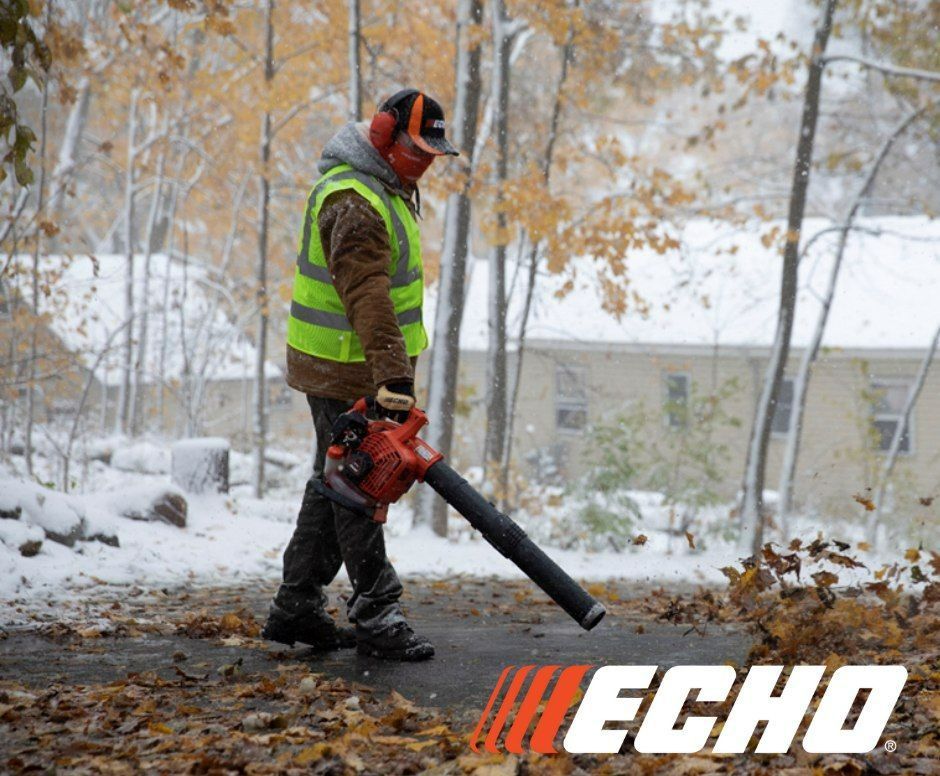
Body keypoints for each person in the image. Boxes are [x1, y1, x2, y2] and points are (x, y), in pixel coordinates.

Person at [261, 89, 458, 661]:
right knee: (360, 484)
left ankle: (296, 604)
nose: (424, 162)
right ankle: (377, 610)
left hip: (361, 366)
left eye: (432, 153)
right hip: (348, 368)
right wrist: (392, 377)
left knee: (335, 483)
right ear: (381, 137)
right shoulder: (353, 200)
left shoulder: (385, 188)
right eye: (415, 149)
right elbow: (368, 293)